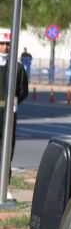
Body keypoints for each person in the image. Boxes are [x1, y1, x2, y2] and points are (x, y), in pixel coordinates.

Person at [0, 36, 29, 164]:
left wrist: (14, 100)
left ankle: (5, 172)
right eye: (2, 44)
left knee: (7, 142)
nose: (5, 47)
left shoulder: (17, 68)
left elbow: (23, 90)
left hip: (9, 111)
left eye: (7, 44)